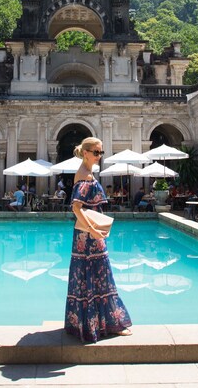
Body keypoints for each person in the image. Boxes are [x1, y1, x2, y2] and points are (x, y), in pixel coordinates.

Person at [64, 136, 132, 342]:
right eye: (96, 152)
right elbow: (76, 207)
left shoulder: (88, 173)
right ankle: (108, 324)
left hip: (88, 234)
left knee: (92, 277)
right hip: (88, 236)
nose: (99, 156)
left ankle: (93, 324)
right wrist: (93, 230)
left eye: (101, 152)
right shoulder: (84, 175)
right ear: (85, 153)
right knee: (100, 275)